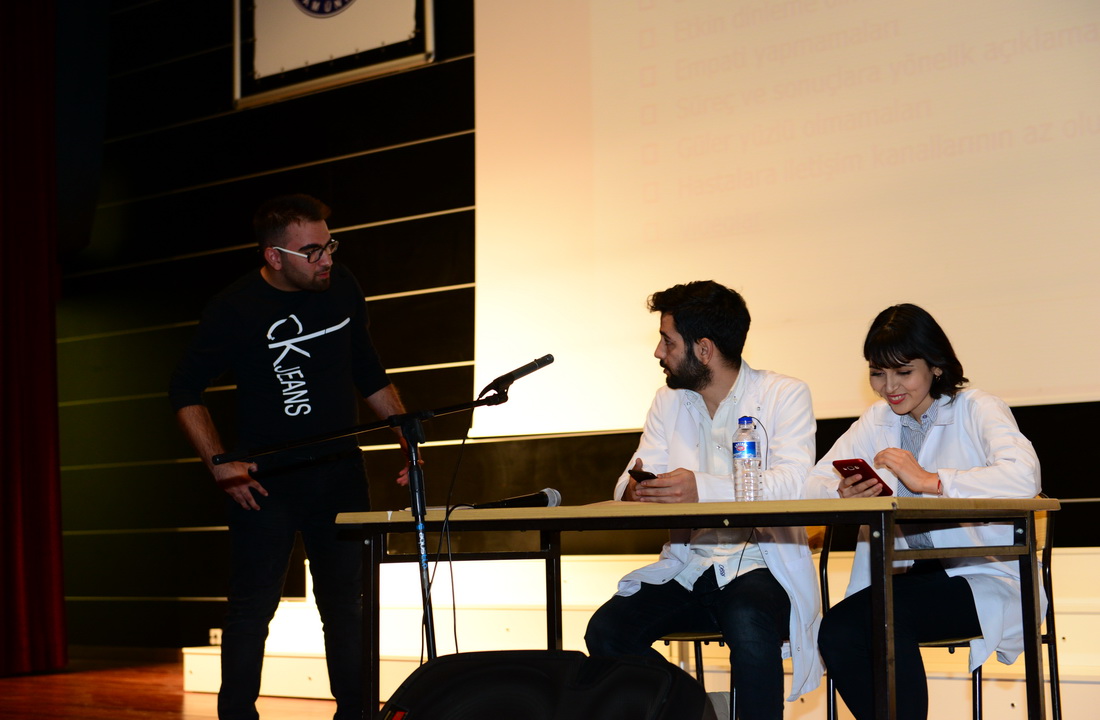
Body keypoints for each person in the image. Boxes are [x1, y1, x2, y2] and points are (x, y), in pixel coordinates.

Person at [169, 194, 409, 720]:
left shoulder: (342, 285)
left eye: (330, 245)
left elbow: (367, 368)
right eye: (312, 251)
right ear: (274, 256)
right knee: (252, 609)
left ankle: (356, 714)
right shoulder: (235, 308)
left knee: (345, 607)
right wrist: (220, 464)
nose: (326, 259)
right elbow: (185, 390)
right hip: (265, 481)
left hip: (340, 472)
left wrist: (405, 438)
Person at [583, 281, 821, 720]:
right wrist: (637, 490)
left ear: (704, 349)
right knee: (607, 632)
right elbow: (630, 477)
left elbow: (793, 484)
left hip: (762, 566)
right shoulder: (667, 401)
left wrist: (700, 488)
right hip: (689, 566)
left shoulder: (783, 394)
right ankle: (696, 710)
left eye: (668, 341)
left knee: (748, 622)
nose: (659, 352)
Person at [804, 303, 1041, 720]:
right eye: (878, 373)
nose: (889, 386)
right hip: (906, 577)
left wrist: (931, 480)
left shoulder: (978, 408)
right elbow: (812, 484)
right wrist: (843, 492)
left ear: (935, 366)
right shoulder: (876, 420)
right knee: (837, 631)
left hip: (982, 575)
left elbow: (1024, 477)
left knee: (882, 619)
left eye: (903, 371)